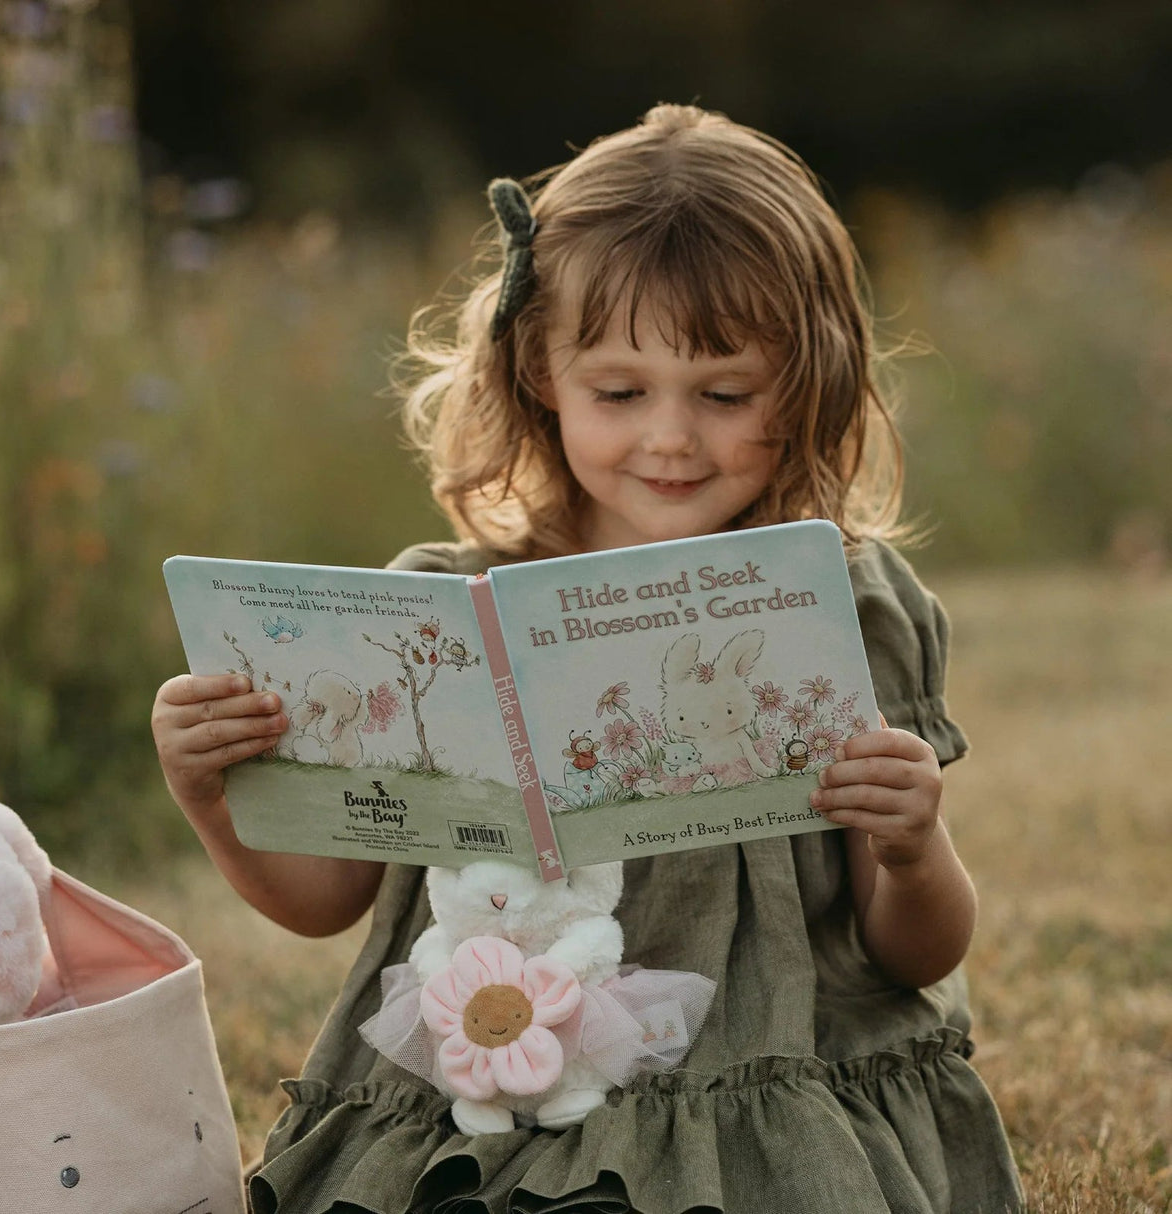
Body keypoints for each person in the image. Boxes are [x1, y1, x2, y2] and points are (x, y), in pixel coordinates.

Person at [152, 104, 1023, 1213]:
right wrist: (212, 793)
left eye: (723, 393)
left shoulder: (840, 607)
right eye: (617, 392)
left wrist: (911, 844)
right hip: (484, 1093)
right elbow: (327, 900)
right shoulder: (431, 606)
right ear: (539, 374)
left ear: (808, 382)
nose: (669, 436)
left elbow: (911, 952)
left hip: (748, 1078)